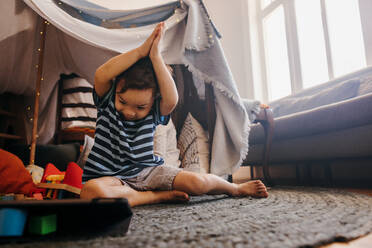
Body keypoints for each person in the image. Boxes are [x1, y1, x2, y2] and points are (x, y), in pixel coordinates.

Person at [80, 22, 269, 207]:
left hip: (148, 171)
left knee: (198, 183)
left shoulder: (155, 110)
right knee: (90, 192)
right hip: (109, 178)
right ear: (116, 90)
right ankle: (153, 197)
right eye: (123, 102)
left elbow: (172, 100)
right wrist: (140, 51)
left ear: (153, 101)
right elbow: (101, 74)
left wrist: (155, 57)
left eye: (140, 107)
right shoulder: (107, 101)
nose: (129, 112)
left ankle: (235, 188)